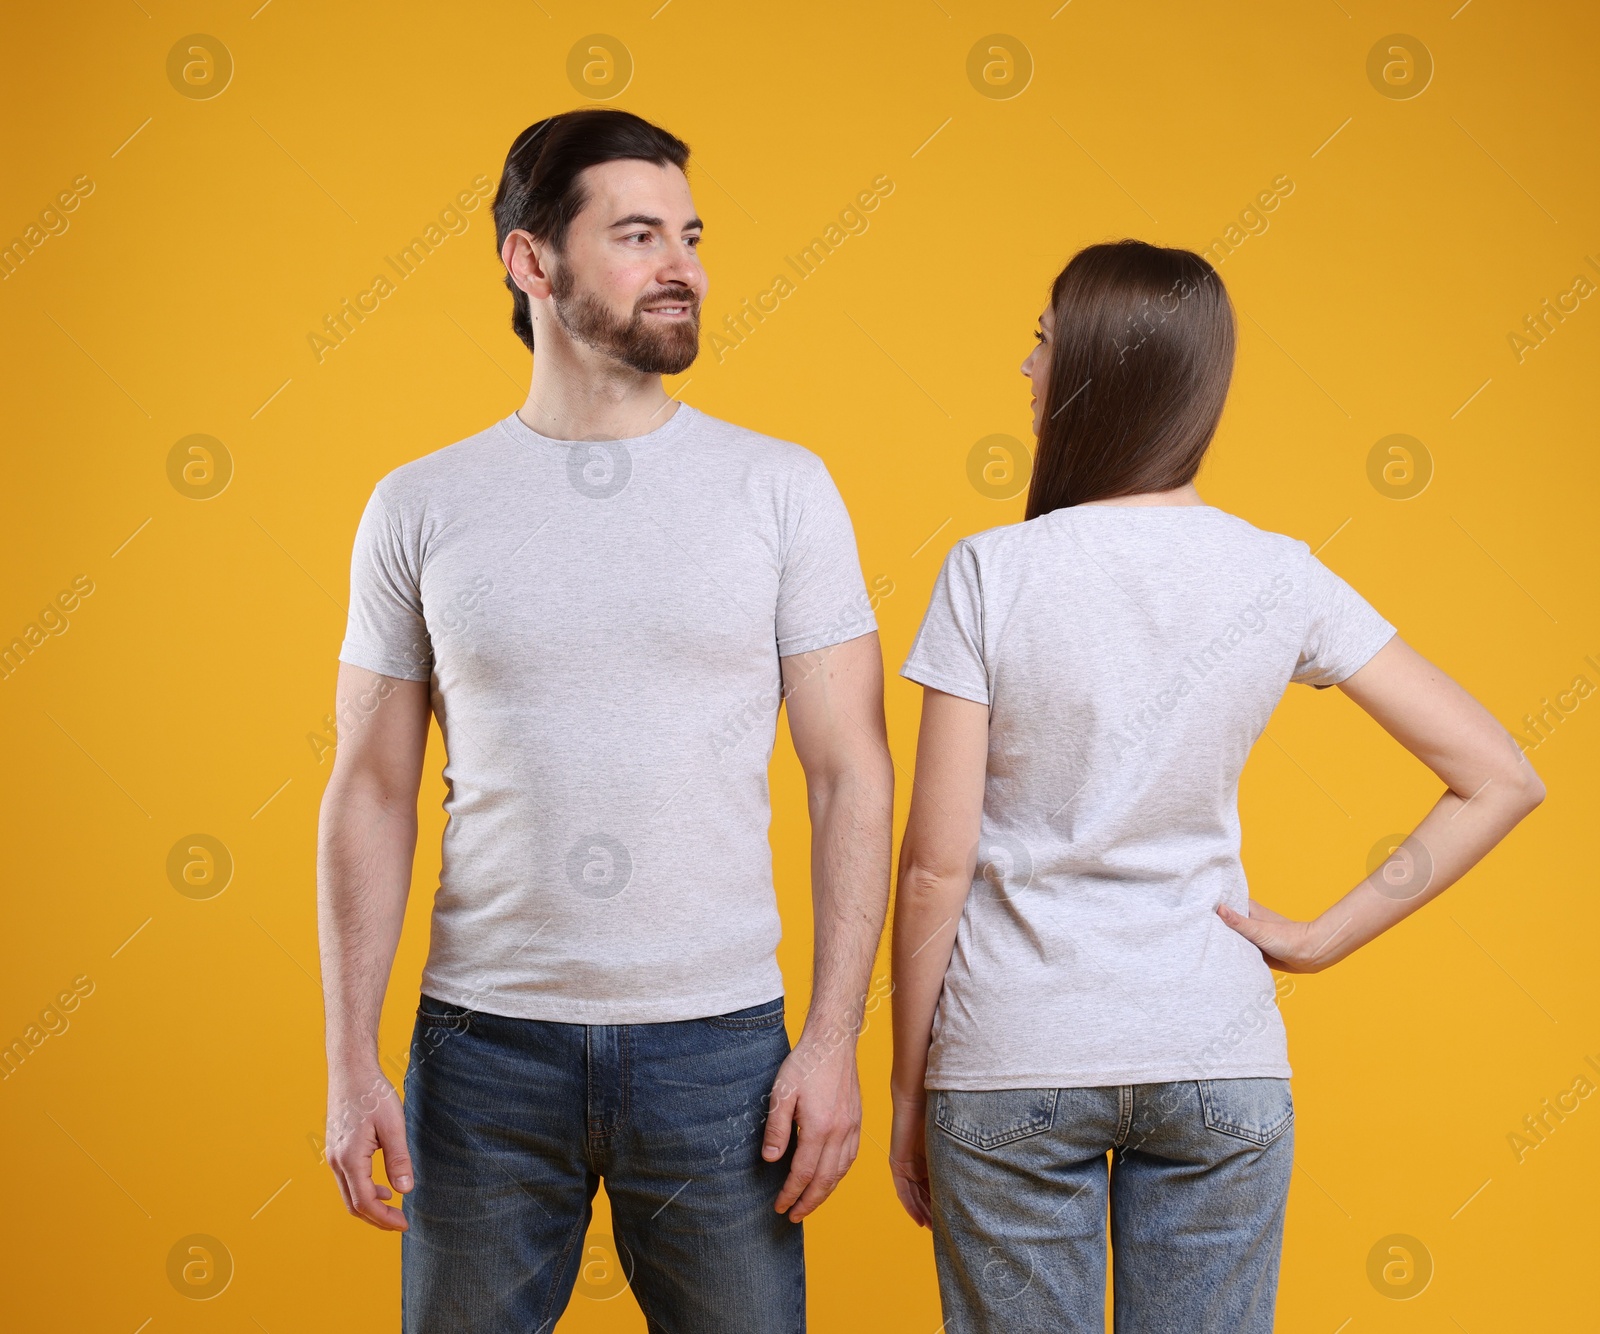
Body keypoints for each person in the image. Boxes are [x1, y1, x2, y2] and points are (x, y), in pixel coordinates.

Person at [887, 239, 1544, 1332]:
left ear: (1096, 367)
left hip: (1013, 1053)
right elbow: (1499, 776)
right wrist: (1325, 935)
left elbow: (934, 864)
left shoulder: (992, 573)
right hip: (1216, 1053)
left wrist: (911, 1086)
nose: (1024, 368)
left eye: (1042, 342)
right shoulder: (1278, 572)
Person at [316, 107, 893, 1334]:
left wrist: (833, 1036)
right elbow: (369, 785)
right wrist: (347, 1056)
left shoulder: (781, 489)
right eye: (637, 235)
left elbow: (851, 771)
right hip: (481, 1052)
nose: (680, 264)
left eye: (688, 234)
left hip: (722, 1051)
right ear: (532, 262)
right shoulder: (417, 506)